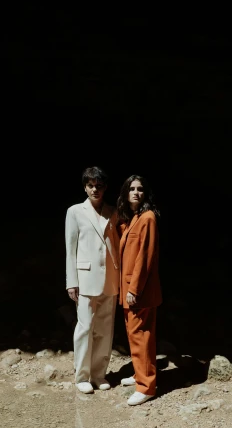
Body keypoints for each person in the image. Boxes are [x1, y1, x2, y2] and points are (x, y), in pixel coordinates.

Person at [65, 166, 120, 394]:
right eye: (90, 185)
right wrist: (71, 281)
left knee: (105, 329)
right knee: (85, 327)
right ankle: (82, 376)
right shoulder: (75, 211)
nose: (94, 189)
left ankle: (99, 374)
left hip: (110, 277)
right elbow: (70, 248)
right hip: (85, 278)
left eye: (98, 185)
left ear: (105, 187)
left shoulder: (113, 211)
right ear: (85, 187)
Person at [117, 175, 161, 405]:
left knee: (141, 336)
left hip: (139, 291)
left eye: (140, 189)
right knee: (136, 336)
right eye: (132, 189)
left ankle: (146, 387)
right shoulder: (133, 218)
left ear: (146, 193)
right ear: (125, 193)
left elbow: (145, 257)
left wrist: (134, 289)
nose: (136, 192)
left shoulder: (147, 218)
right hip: (131, 289)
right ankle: (140, 375)